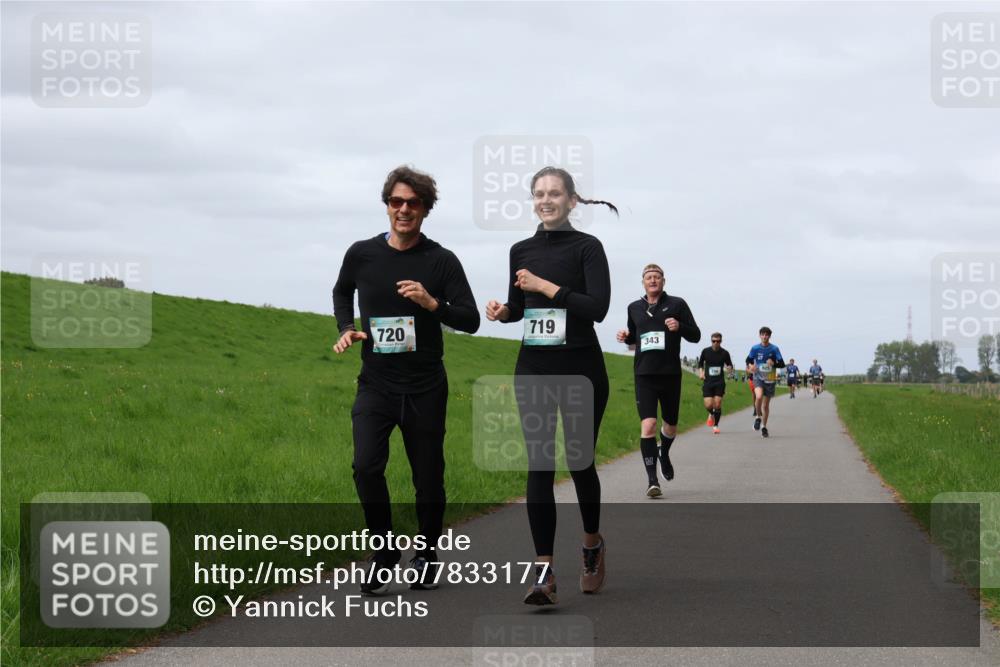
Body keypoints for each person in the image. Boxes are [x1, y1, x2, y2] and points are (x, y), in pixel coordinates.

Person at [332, 165, 480, 595]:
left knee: (428, 476)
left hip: (425, 386)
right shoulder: (361, 253)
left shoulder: (441, 260)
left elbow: (469, 319)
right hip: (376, 383)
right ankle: (383, 551)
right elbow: (342, 291)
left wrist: (433, 303)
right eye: (396, 202)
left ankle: (428, 553)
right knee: (365, 466)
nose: (404, 209)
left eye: (413, 203)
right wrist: (346, 326)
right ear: (387, 206)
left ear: (426, 210)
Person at [485, 166, 616, 605]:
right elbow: (522, 308)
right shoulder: (520, 248)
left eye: (554, 193)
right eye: (539, 193)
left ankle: (592, 547)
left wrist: (546, 285)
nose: (546, 200)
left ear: (572, 200)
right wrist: (505, 312)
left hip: (581, 369)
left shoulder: (588, 248)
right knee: (539, 465)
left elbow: (596, 308)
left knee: (579, 464)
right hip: (534, 367)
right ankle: (544, 573)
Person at [617, 265, 700, 497]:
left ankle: (664, 453)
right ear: (643, 282)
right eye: (648, 278)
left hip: (670, 373)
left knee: (670, 425)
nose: (653, 281)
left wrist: (679, 326)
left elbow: (696, 335)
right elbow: (634, 338)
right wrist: (626, 337)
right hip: (644, 374)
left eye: (657, 277)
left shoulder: (677, 304)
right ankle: (652, 480)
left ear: (664, 281)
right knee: (649, 425)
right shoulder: (634, 307)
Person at [746, 326, 785, 438]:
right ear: (760, 335)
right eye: (762, 334)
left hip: (770, 378)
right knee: (758, 396)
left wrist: (773, 363)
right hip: (758, 377)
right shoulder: (755, 348)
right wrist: (751, 366)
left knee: (766, 406)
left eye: (766, 335)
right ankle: (758, 417)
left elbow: (782, 364)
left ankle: (764, 426)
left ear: (769, 336)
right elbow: (748, 359)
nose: (764, 336)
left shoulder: (774, 349)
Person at [696, 332, 733, 435]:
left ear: (721, 341)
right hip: (708, 382)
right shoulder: (706, 351)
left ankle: (716, 426)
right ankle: (711, 413)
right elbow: (700, 364)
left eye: (718, 341)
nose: (716, 343)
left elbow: (729, 365)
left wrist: (729, 369)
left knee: (717, 403)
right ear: (711, 341)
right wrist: (701, 372)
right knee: (708, 405)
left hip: (719, 382)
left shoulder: (725, 353)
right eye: (714, 341)